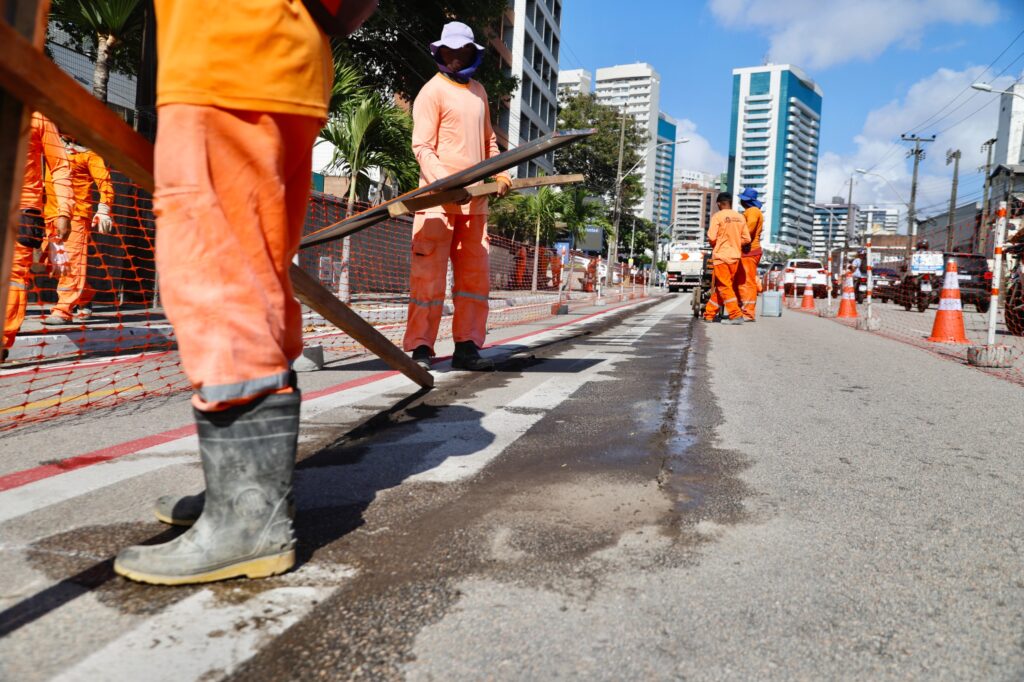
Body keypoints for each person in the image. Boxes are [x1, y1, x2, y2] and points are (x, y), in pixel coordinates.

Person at [113, 0, 338, 585]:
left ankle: (248, 519)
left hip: (221, 52)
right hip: (285, 58)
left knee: (216, 275)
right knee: (256, 275)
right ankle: (248, 495)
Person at [403, 21, 511, 372]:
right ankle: (421, 347)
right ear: (441, 52)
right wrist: (447, 184)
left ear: (471, 54)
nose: (455, 58)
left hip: (475, 204)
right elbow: (422, 147)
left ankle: (467, 346)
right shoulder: (431, 91)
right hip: (436, 202)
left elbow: (489, 142)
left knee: (473, 281)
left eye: (461, 52)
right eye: (449, 51)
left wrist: (501, 172)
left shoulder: (479, 92)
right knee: (428, 280)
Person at [3, 112, 72, 364]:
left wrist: (64, 211)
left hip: (23, 210)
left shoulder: (39, 117)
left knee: (13, 277)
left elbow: (60, 166)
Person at [41, 136, 114, 325]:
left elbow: (105, 183)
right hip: (50, 215)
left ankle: (63, 310)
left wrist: (104, 209)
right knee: (54, 265)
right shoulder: (52, 147)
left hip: (76, 217)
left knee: (71, 264)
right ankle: (85, 296)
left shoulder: (89, 154)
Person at [703, 192, 751, 324]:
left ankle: (735, 315)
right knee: (723, 287)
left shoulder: (718, 216)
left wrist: (718, 243)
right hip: (735, 257)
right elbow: (747, 239)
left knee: (724, 286)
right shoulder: (740, 217)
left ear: (719, 204)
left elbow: (712, 237)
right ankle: (709, 314)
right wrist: (735, 242)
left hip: (721, 257)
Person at [733, 187, 763, 321]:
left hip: (749, 251)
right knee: (741, 281)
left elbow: (749, 230)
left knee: (747, 282)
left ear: (746, 201)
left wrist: (736, 239)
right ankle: (742, 310)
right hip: (747, 251)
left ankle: (748, 313)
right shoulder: (751, 211)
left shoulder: (753, 211)